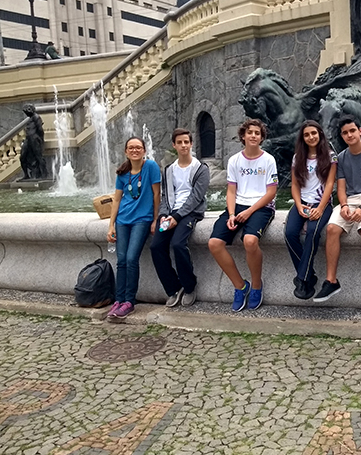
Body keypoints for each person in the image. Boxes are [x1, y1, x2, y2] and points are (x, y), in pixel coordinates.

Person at [313, 115, 361, 308]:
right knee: (331, 229)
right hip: (350, 200)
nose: (349, 135)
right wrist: (344, 205)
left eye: (352, 131)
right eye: (345, 133)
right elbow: (341, 188)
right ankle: (331, 281)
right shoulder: (342, 157)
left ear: (360, 131)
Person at [208, 119, 278, 312]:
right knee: (214, 243)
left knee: (250, 241)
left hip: (262, 206)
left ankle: (256, 285)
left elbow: (271, 193)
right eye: (250, 132)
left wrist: (249, 211)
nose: (253, 136)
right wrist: (231, 214)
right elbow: (231, 191)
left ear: (261, 137)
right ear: (243, 136)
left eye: (257, 133)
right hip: (238, 205)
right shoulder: (234, 160)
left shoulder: (268, 160)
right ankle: (240, 286)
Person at [150, 128, 210, 308]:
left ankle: (189, 286)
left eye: (186, 142)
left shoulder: (201, 169)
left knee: (178, 244)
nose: (183, 145)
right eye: (179, 142)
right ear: (174, 145)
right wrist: (163, 215)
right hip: (170, 213)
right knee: (156, 246)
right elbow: (165, 196)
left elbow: (196, 197)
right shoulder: (169, 169)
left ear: (191, 144)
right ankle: (173, 288)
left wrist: (176, 217)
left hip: (191, 213)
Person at [106, 137, 161, 321]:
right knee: (121, 260)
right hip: (123, 220)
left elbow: (156, 195)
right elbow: (117, 199)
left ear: (144, 150)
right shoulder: (123, 172)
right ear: (126, 152)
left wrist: (155, 219)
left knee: (131, 259)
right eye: (131, 148)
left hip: (142, 220)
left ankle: (129, 301)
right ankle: (118, 300)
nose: (134, 150)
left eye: (138, 147)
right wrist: (111, 225)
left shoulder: (151, 167)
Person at [286, 120, 337, 300]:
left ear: (320, 134)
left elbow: (330, 184)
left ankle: (302, 278)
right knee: (290, 233)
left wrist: (320, 208)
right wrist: (299, 205)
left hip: (322, 203)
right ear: (303, 138)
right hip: (302, 202)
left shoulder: (331, 156)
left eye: (313, 133)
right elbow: (295, 185)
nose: (311, 137)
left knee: (313, 233)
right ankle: (308, 275)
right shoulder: (297, 158)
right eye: (306, 135)